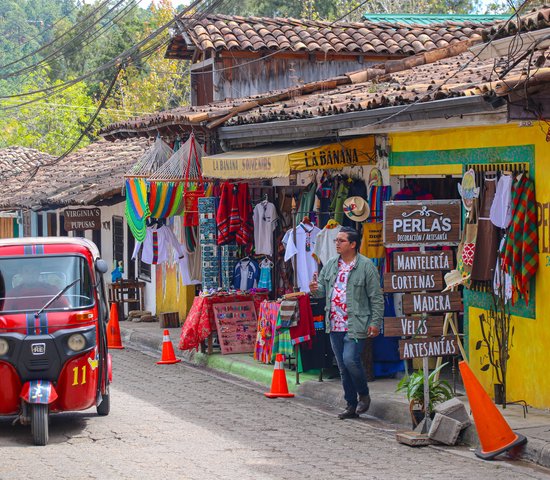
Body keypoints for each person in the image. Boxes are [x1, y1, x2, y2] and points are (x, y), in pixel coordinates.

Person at [309, 226, 384, 419]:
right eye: (336, 240)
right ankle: (350, 404)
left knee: (351, 360)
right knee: (342, 365)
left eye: (341, 241)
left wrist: (375, 322)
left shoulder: (366, 266)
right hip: (334, 322)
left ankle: (363, 394)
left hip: (357, 322)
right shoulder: (332, 264)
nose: (337, 244)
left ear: (353, 244)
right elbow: (322, 292)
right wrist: (314, 289)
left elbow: (376, 297)